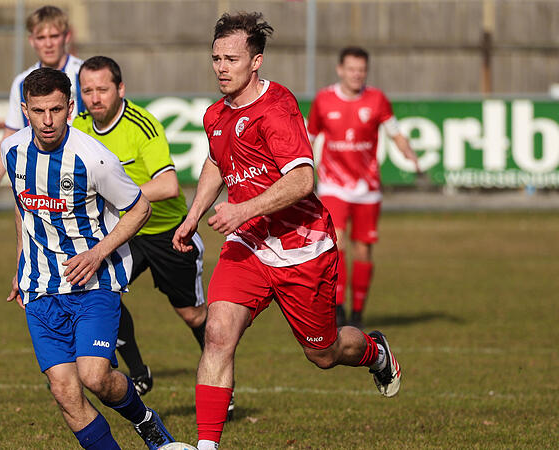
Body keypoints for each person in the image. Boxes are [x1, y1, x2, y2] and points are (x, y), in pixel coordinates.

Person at [172, 13, 402, 450]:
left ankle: (375, 353)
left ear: (255, 62)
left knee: (324, 353)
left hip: (303, 249)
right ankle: (207, 446)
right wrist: (192, 215)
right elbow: (217, 162)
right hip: (248, 249)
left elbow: (302, 181)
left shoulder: (277, 108)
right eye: (216, 58)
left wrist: (242, 210)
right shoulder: (215, 114)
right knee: (218, 334)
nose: (221, 67)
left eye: (231, 59)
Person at [1, 67, 175, 450]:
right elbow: (22, 207)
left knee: (95, 377)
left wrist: (98, 253)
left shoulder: (95, 160)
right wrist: (19, 263)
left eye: (56, 110)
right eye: (38, 111)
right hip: (41, 288)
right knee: (65, 392)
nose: (48, 121)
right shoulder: (11, 151)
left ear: (70, 107)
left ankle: (144, 419)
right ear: (24, 110)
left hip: (95, 284)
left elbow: (140, 209)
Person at [73, 56, 208, 398]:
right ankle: (138, 372)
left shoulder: (142, 125)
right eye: (87, 90)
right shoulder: (79, 127)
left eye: (102, 89)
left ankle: (218, 380)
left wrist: (115, 197)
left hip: (168, 233)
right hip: (124, 234)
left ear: (120, 88)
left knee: (192, 315)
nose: (95, 97)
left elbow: (168, 186)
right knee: (99, 292)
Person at [307, 46, 419, 329]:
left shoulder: (377, 99)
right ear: (340, 69)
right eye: (351, 69)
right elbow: (308, 137)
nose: (356, 75)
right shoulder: (323, 100)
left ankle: (358, 311)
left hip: (367, 187)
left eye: (361, 70)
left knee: (363, 251)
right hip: (333, 185)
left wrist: (409, 153)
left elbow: (394, 132)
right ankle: (339, 307)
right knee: (337, 243)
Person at [0, 5, 85, 211]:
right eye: (41, 37)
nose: (48, 44)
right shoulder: (22, 83)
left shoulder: (84, 74)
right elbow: (11, 133)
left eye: (54, 36)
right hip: (41, 177)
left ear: (67, 36)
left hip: (82, 171)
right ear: (31, 40)